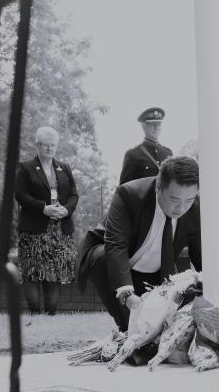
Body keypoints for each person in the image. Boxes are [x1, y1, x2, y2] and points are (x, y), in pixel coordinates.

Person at [76, 156, 202, 333]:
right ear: (158, 186)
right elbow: (115, 245)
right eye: (174, 200)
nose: (181, 208)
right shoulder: (129, 194)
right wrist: (127, 293)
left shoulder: (197, 208)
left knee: (175, 315)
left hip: (155, 272)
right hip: (111, 260)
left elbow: (201, 257)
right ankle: (132, 337)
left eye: (188, 201)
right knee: (137, 327)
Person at [14, 127, 79, 315]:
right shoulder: (25, 167)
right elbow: (20, 194)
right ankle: (35, 313)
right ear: (37, 145)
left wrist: (66, 210)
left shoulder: (64, 167)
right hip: (33, 231)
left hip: (59, 230)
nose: (50, 149)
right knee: (32, 272)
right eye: (46, 145)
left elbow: (74, 193)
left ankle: (51, 314)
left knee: (55, 272)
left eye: (53, 145)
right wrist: (43, 208)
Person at [119, 107, 173, 185]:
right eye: (153, 124)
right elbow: (124, 188)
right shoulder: (133, 154)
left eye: (159, 124)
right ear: (143, 126)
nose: (156, 127)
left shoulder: (168, 153)